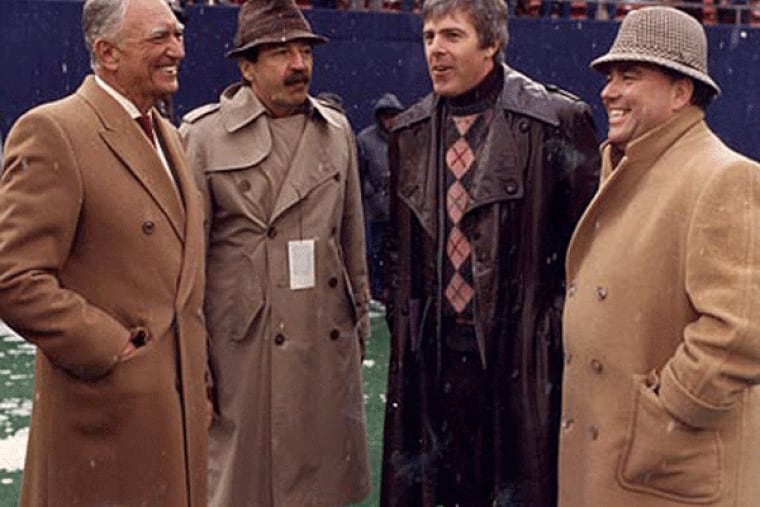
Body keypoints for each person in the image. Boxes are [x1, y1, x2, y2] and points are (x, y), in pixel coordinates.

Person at [380, 0, 600, 504]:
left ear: (492, 43)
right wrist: (404, 320)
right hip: (434, 360)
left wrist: (548, 336)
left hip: (521, 360)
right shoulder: (408, 133)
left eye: (452, 35)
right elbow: (398, 250)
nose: (436, 48)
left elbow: (591, 249)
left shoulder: (556, 121)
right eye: (430, 35)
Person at [0, 0, 208, 505]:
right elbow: (13, 276)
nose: (177, 50)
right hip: (104, 421)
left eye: (178, 35)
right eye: (160, 38)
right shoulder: (53, 131)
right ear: (107, 52)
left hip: (174, 421)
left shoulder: (173, 139)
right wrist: (111, 347)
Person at [560, 7, 760, 507]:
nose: (609, 91)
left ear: (681, 92)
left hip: (661, 470)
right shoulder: (633, 165)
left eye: (631, 76)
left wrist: (665, 413)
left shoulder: (722, 177)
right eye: (610, 76)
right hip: (624, 460)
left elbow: (739, 334)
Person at [180, 0, 371, 505]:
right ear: (247, 67)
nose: (299, 64)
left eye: (305, 50)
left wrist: (359, 335)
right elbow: (188, 269)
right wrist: (195, 366)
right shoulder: (203, 138)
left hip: (322, 341)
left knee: (317, 488)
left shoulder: (337, 133)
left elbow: (352, 245)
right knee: (239, 488)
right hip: (243, 348)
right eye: (281, 53)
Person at [356, 92, 404, 306]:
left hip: (400, 208)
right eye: (386, 116)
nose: (390, 121)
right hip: (376, 211)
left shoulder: (405, 136)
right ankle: (377, 293)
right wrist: (371, 194)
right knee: (376, 252)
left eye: (393, 116)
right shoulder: (364, 140)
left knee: (401, 253)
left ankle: (397, 290)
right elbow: (359, 173)